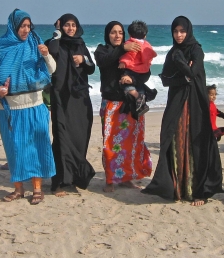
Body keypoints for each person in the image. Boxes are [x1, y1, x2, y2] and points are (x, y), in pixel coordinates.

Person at [142, 16, 223, 206]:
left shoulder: (196, 50)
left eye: (182, 31)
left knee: (195, 141)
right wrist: (183, 71)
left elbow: (194, 74)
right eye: (175, 31)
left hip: (195, 103)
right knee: (174, 139)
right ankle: (177, 188)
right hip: (177, 102)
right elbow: (165, 79)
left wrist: (183, 70)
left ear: (188, 31)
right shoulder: (173, 52)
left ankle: (197, 191)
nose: (179, 35)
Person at [0, 9, 56, 205]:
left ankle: (37, 189)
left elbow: (52, 70)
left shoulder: (35, 44)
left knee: (37, 147)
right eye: (22, 26)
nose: (26, 30)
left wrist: (46, 55)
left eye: (29, 26)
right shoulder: (0, 47)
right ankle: (18, 189)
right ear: (14, 26)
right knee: (15, 150)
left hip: (35, 105)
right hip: (9, 109)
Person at [94, 21, 153, 193]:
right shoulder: (102, 50)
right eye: (113, 32)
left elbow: (145, 72)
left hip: (131, 104)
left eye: (120, 32)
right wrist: (123, 49)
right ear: (108, 34)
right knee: (110, 144)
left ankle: (127, 178)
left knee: (131, 143)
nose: (117, 35)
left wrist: (132, 80)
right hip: (111, 104)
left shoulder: (132, 50)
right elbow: (104, 61)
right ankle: (110, 180)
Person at [46, 14, 96, 196]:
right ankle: (59, 182)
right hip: (60, 97)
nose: (71, 28)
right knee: (61, 137)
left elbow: (92, 67)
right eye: (67, 25)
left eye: (73, 25)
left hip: (80, 98)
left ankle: (75, 177)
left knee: (79, 137)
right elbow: (51, 51)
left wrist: (83, 60)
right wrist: (57, 33)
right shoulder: (55, 41)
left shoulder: (80, 44)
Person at [117, 20, 157, 116]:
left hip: (132, 70)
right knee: (139, 85)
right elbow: (150, 56)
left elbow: (129, 55)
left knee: (124, 83)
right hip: (144, 71)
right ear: (145, 36)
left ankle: (138, 96)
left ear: (130, 34)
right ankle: (142, 104)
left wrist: (123, 62)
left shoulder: (131, 43)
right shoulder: (147, 45)